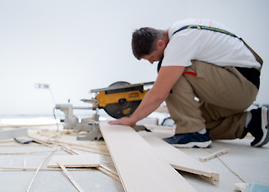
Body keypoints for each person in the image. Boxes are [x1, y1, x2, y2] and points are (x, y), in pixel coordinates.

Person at [109, 18, 268, 148]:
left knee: (171, 73)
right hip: (238, 86)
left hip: (241, 85)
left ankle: (193, 133)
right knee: (199, 122)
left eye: (150, 57)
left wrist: (131, 120)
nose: (151, 62)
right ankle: (251, 121)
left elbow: (159, 94)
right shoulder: (180, 30)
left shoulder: (181, 39)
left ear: (160, 44)